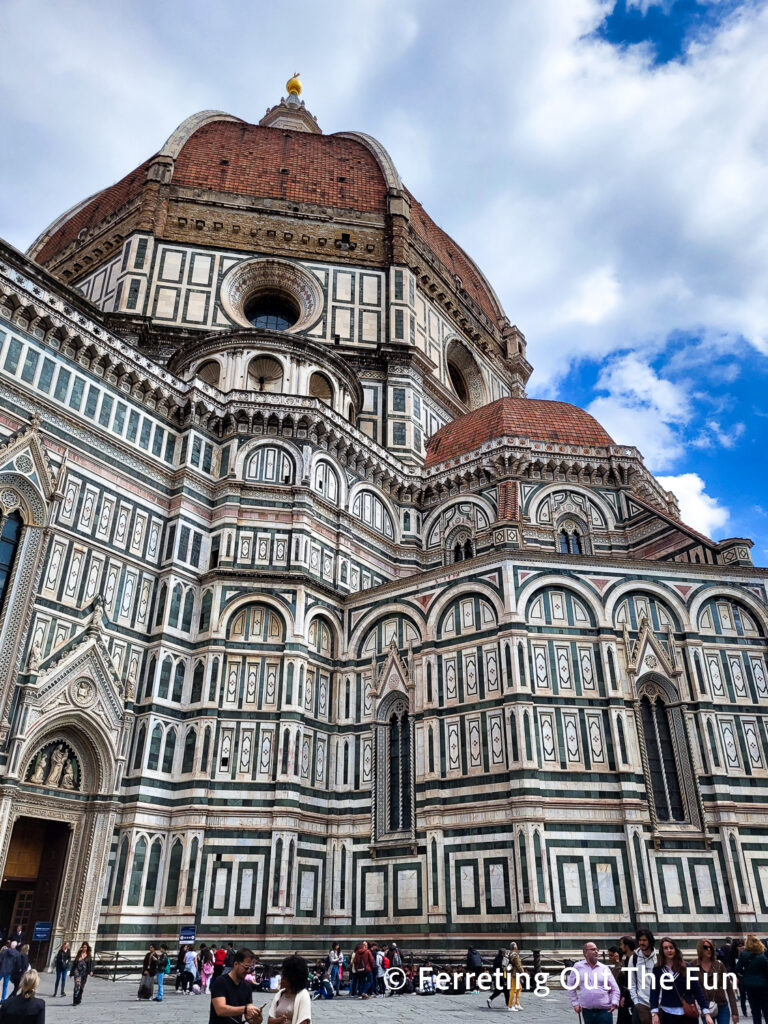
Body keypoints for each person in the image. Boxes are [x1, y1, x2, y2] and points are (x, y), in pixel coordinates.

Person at [650, 937, 714, 1024]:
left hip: (688, 1013)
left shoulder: (686, 967)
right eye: (666, 948)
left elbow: (697, 989)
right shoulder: (657, 969)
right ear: (662, 951)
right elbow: (654, 991)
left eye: (671, 947)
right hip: (668, 1014)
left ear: (675, 949)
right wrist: (654, 1013)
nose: (669, 950)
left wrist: (706, 1012)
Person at [568, 940, 621, 1024]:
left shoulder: (604, 968)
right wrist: (575, 1003)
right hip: (587, 1011)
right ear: (585, 952)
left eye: (597, 949)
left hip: (605, 1010)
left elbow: (615, 988)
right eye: (592, 949)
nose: (596, 951)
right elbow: (570, 986)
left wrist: (614, 1002)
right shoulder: (578, 967)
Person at [691, 937, 739, 1024]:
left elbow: (728, 988)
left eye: (711, 947)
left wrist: (734, 1012)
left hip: (722, 1006)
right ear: (700, 949)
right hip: (706, 1007)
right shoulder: (693, 966)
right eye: (705, 947)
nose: (709, 949)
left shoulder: (719, 965)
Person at [209, 947, 263, 1023]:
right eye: (246, 967)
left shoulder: (247, 986)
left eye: (251, 969)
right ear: (236, 964)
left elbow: (248, 1015)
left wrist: (256, 1020)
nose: (248, 971)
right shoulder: (220, 982)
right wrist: (245, 1009)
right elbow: (220, 1010)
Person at [267, 954, 311, 1024]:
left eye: (284, 975)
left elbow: (304, 1021)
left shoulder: (303, 995)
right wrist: (279, 1020)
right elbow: (269, 1021)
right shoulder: (279, 994)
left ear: (292, 978)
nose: (281, 978)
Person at [736, 935, 768, 1024]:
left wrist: (744, 977)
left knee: (755, 1011)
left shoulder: (743, 955)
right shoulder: (762, 956)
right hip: (763, 987)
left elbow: (738, 969)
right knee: (766, 1010)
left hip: (750, 987)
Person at [630, 929, 658, 1024]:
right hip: (641, 1004)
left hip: (659, 1005)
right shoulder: (634, 958)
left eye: (644, 940)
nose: (641, 943)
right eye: (640, 940)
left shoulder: (658, 957)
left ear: (650, 941)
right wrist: (636, 1002)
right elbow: (632, 982)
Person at [71, 942, 93, 1006]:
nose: (84, 948)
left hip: (84, 973)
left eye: (85, 947)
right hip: (77, 972)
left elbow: (90, 964)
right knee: (77, 985)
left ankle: (79, 999)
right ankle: (75, 1000)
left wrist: (91, 971)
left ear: (87, 948)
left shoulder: (89, 956)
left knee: (81, 987)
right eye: (83, 947)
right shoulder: (79, 954)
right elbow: (75, 963)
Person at [506, 942, 524, 1011]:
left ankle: (516, 1003)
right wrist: (523, 973)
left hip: (512, 973)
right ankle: (510, 1006)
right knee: (513, 989)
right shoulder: (515, 956)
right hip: (515, 974)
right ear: (515, 948)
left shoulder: (509, 954)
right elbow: (518, 966)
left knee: (519, 987)